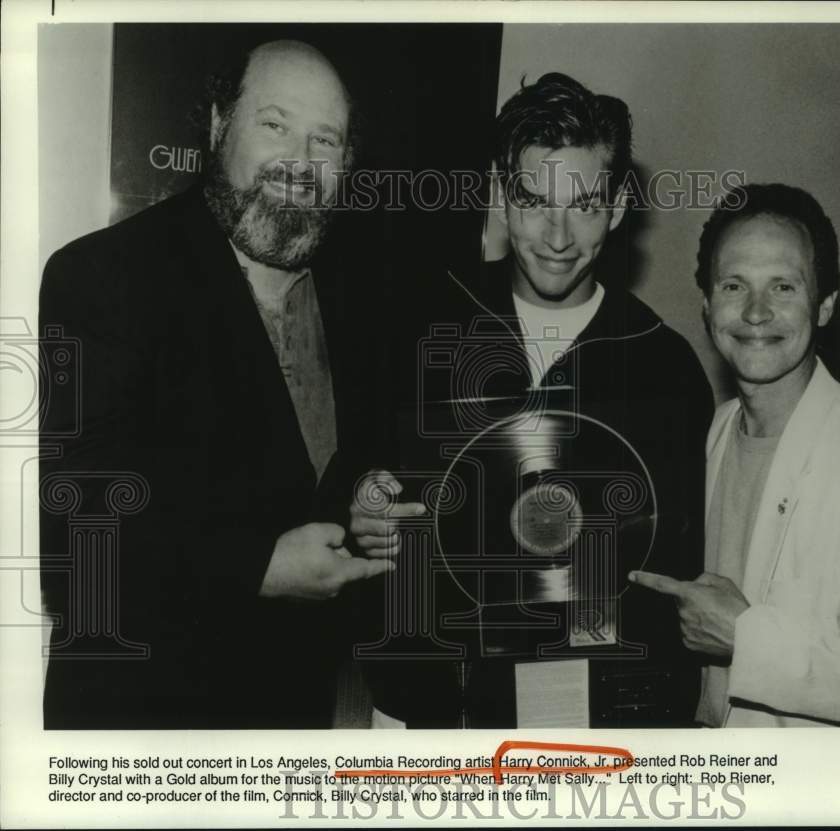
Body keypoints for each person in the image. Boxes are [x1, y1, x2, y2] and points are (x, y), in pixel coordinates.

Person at [39, 40, 394, 729]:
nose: (300, 160)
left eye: (325, 139)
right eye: (275, 124)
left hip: (291, 725)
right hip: (141, 732)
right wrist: (257, 566)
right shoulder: (106, 276)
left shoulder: (363, 297)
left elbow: (332, 479)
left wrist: (373, 508)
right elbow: (78, 530)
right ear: (216, 128)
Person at [352, 73, 714, 728]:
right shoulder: (425, 325)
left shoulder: (665, 367)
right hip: (422, 710)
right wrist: (360, 500)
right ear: (497, 193)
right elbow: (356, 478)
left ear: (619, 205)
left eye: (583, 203)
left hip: (580, 722)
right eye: (533, 200)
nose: (556, 234)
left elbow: (666, 580)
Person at [631, 183, 840, 727]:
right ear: (706, 305)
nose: (755, 312)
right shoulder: (714, 431)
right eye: (733, 285)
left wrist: (746, 638)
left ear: (824, 306)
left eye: (783, 287)